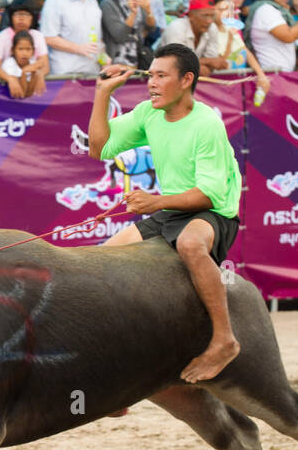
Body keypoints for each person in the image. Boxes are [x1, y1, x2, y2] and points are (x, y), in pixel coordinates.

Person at [91, 45, 243, 382]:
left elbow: (208, 195)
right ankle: (120, 365)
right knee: (100, 264)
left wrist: (156, 202)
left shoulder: (207, 124)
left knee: (190, 243)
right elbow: (98, 148)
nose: (152, 84)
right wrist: (102, 93)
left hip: (213, 212)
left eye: (162, 76)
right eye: (151, 76)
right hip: (172, 209)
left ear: (187, 80)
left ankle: (224, 339)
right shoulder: (149, 113)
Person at [39, 0, 104, 76]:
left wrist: (103, 57)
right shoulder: (54, 1)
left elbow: (97, 37)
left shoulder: (93, 2)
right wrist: (78, 48)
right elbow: (48, 38)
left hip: (92, 71)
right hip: (65, 72)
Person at [101, 0, 157, 68]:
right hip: (117, 65)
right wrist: (132, 13)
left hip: (138, 62)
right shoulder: (107, 4)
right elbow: (119, 36)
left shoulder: (136, 0)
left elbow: (151, 28)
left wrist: (148, 10)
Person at [159, 0, 228, 73]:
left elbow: (212, 62)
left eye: (212, 16)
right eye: (205, 16)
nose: (209, 21)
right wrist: (207, 62)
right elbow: (176, 62)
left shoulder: (212, 28)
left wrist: (207, 64)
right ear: (191, 16)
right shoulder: (176, 28)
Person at [0, 0, 50, 85]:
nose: (21, 18)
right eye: (17, 14)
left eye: (26, 14)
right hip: (6, 83)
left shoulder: (38, 36)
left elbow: (45, 66)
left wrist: (39, 75)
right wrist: (10, 79)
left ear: (32, 18)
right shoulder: (2, 37)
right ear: (11, 17)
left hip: (31, 82)